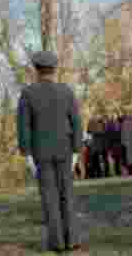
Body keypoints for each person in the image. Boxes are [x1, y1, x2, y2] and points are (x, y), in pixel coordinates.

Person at [17, 50, 83, 253]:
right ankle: (71, 239)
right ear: (54, 69)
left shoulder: (28, 93)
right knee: (66, 195)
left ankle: (57, 242)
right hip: (65, 149)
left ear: (36, 70)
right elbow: (76, 122)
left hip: (41, 153)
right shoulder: (66, 91)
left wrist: (26, 153)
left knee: (49, 198)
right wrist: (76, 150)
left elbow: (23, 126)